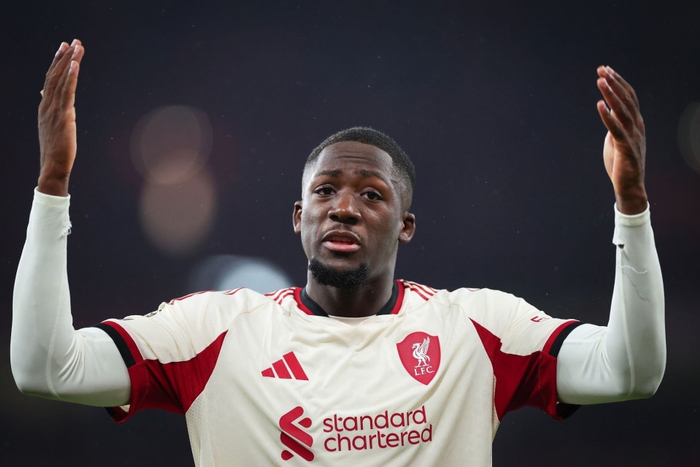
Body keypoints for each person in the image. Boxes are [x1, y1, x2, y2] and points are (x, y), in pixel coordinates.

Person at [11, 39, 665, 466]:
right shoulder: (213, 329)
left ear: (406, 226)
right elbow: (46, 368)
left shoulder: (477, 328)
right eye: (324, 191)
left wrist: (631, 206)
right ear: (299, 219)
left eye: (371, 195)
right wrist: (52, 186)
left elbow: (632, 371)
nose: (343, 207)